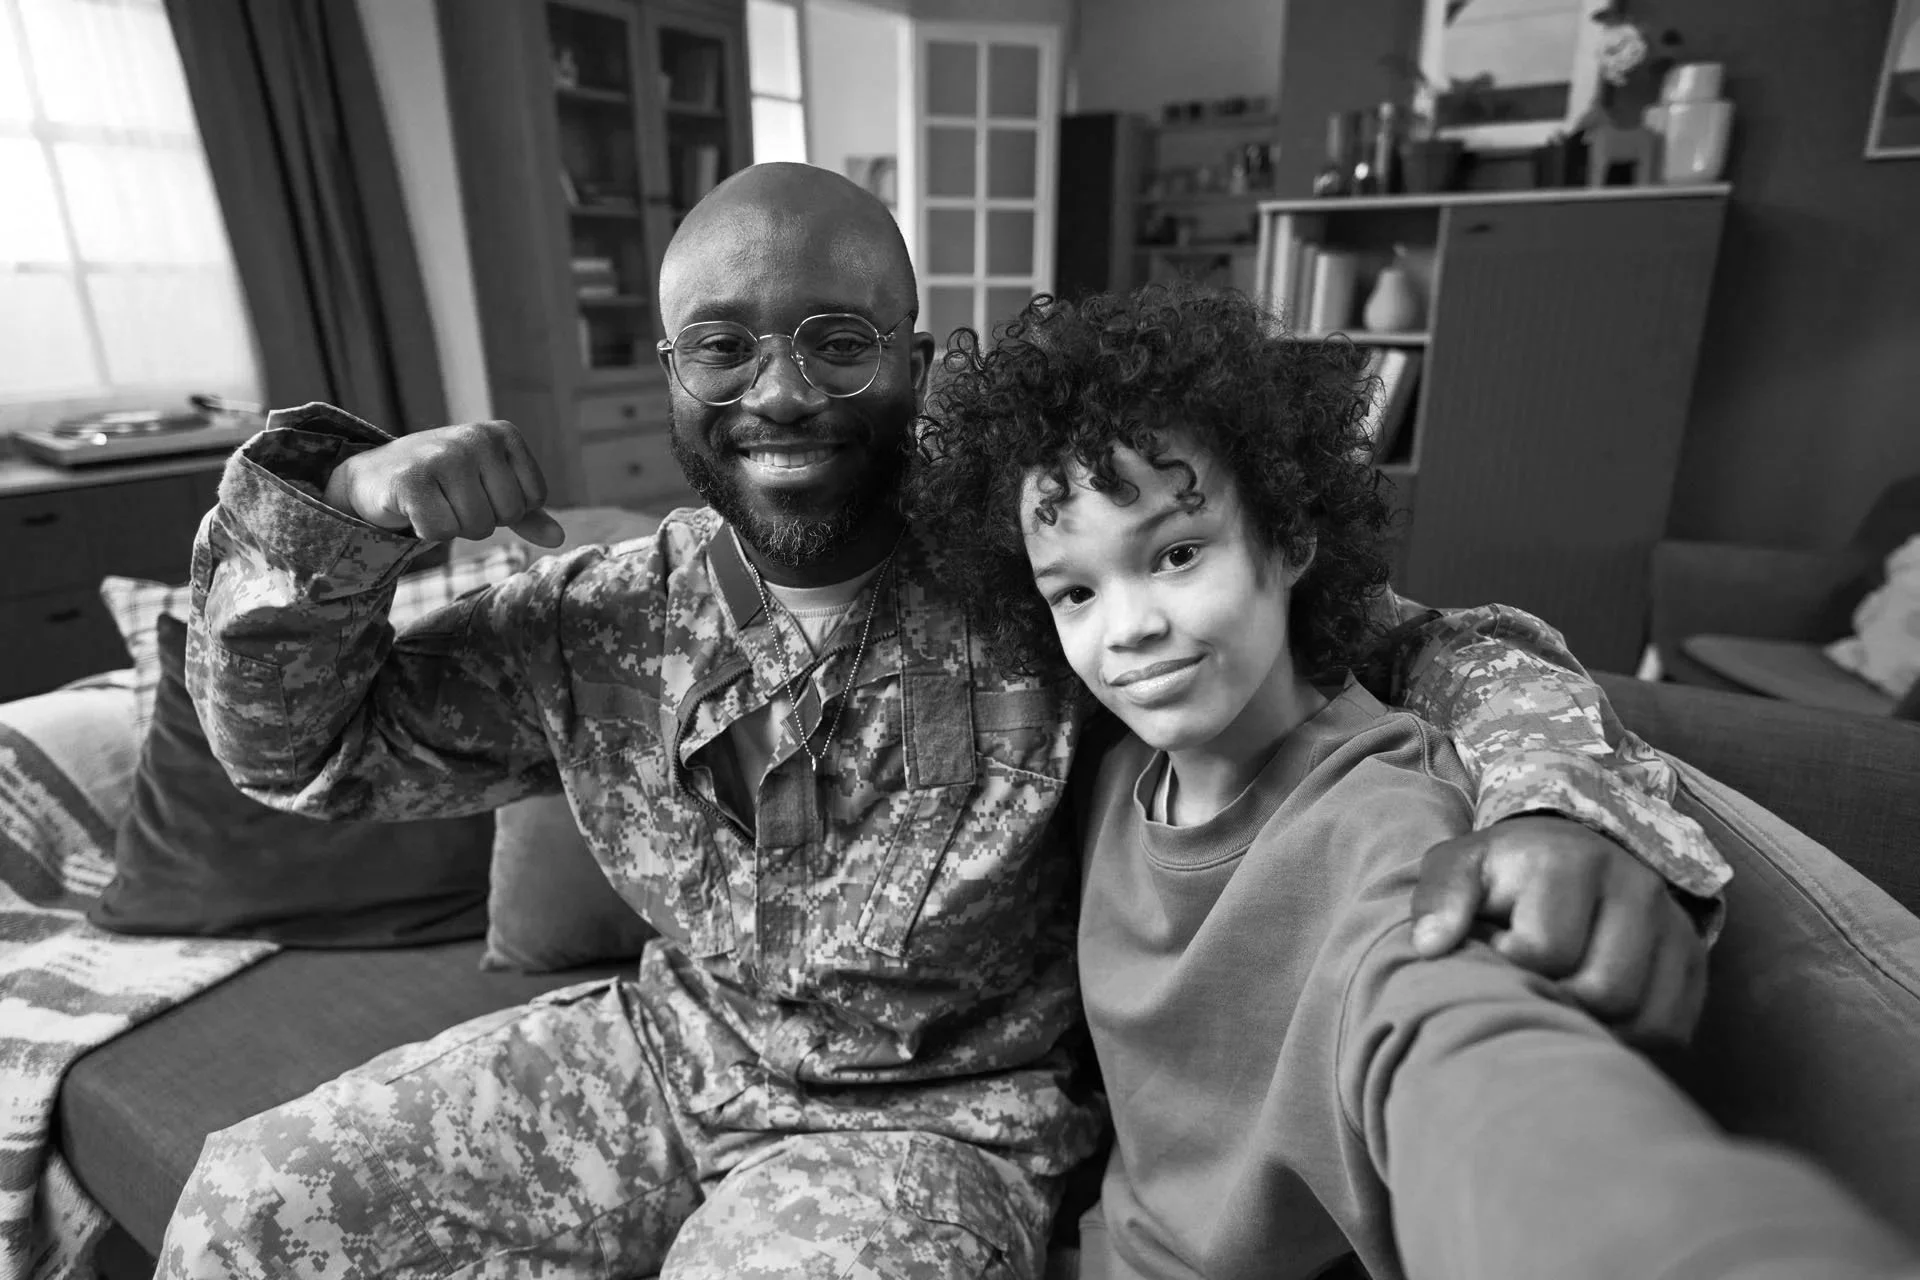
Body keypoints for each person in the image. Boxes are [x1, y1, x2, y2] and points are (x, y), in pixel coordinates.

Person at [166, 165, 1727, 1279]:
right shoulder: (596, 619)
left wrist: (1558, 807)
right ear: (672, 376)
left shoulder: (1047, 576)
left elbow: (1432, 649)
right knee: (256, 1200)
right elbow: (291, 751)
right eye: (725, 344)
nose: (778, 389)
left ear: (916, 363)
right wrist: (338, 514)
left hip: (933, 1134)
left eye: (838, 339)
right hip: (658, 1063)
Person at [910, 281, 1916, 1280]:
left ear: (1290, 535)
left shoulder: (1384, 812)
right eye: (1076, 589)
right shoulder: (1109, 763)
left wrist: (1676, 1234)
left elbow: (1462, 1044)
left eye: (1177, 553)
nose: (1127, 625)